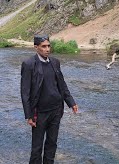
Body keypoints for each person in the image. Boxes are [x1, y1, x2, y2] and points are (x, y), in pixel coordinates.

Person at [20, 34, 79, 164]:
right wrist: (29, 115)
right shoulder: (29, 64)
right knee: (37, 148)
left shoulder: (55, 62)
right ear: (36, 47)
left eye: (48, 46)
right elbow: (25, 92)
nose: (47, 49)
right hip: (39, 113)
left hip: (56, 111)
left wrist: (71, 102)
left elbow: (62, 85)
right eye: (43, 46)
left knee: (52, 144)